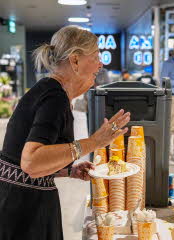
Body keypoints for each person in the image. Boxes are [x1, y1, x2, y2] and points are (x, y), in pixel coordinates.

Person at [0, 25, 130, 240]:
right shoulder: (54, 97)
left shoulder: (49, 91)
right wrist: (94, 142)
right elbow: (31, 162)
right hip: (24, 214)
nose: (101, 63)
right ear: (75, 60)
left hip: (19, 205)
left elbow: (24, 164)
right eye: (96, 56)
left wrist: (66, 171)